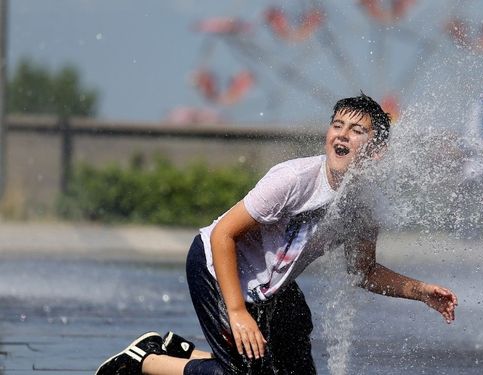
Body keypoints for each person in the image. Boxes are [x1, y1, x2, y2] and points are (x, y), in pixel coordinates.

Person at [95, 93, 458, 375]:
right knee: (243, 374)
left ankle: (185, 352)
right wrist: (237, 312)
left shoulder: (363, 208)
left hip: (269, 287)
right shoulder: (293, 181)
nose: (342, 134)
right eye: (337, 125)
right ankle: (146, 360)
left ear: (376, 151)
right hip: (217, 266)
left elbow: (363, 271)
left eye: (357, 130)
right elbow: (223, 234)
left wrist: (420, 291)